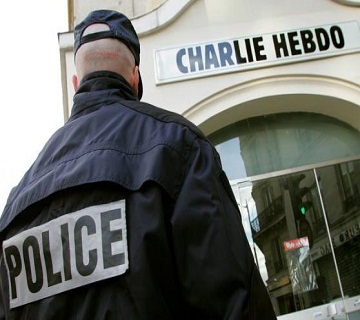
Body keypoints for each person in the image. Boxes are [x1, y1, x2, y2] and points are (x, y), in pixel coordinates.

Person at [0, 9, 276, 320]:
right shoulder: (177, 149)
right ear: (135, 78)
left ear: (77, 83)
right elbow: (234, 301)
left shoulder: (15, 209)